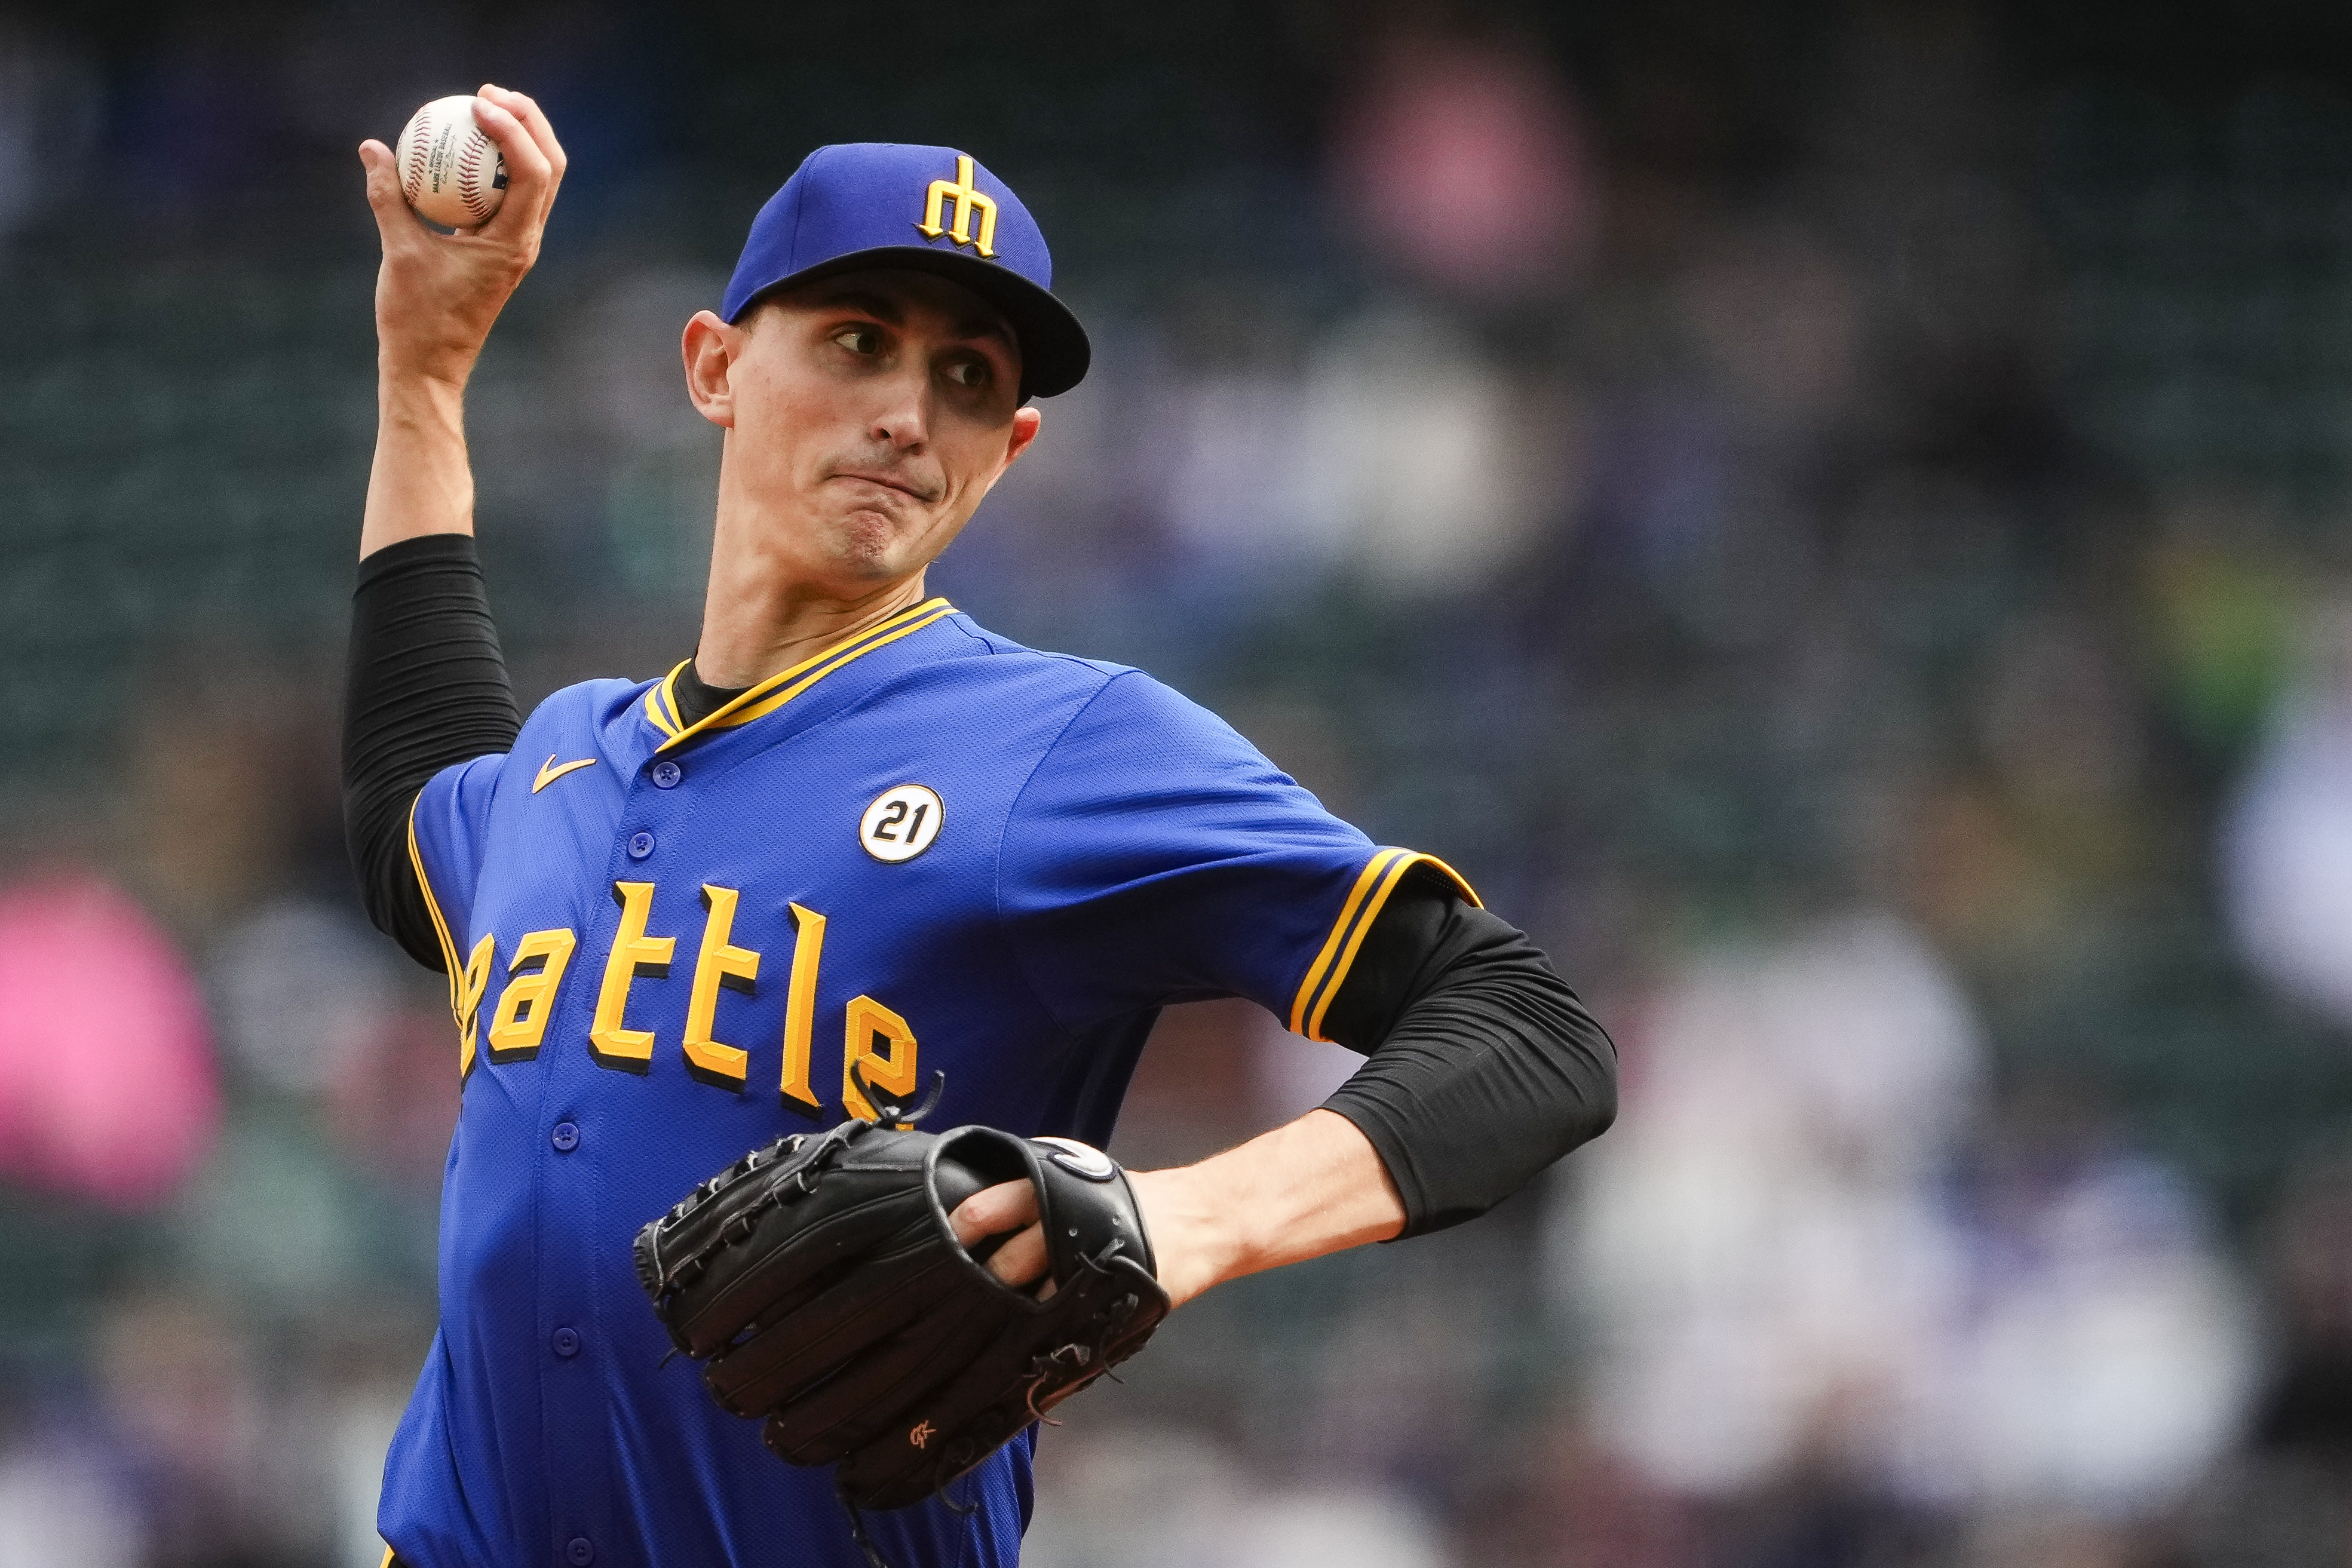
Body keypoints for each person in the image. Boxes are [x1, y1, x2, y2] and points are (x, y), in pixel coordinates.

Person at [344, 85, 1617, 1568]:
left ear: (1008, 448)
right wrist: (424, 378)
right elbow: (406, 804)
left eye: (964, 377)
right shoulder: (566, 754)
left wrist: (1172, 1218)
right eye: (858, 341)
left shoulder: (1060, 747)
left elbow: (1529, 1032)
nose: (905, 409)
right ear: (714, 366)